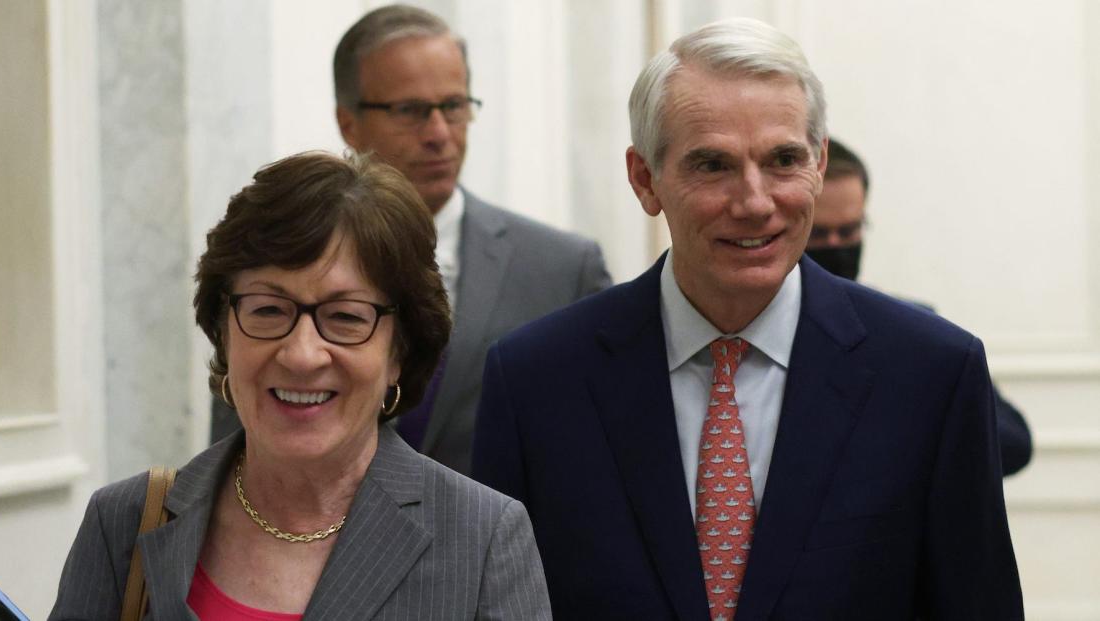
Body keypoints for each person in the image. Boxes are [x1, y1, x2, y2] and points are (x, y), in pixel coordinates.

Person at [471, 17, 1022, 620]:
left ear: (819, 163)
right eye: (713, 165)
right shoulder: (536, 380)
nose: (755, 202)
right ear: (644, 178)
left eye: (784, 159)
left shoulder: (930, 374)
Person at [51, 152, 550, 620]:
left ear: (400, 351)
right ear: (223, 333)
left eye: (345, 317)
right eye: (269, 310)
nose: (302, 354)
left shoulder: (482, 539)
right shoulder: (126, 522)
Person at [213, 5, 613, 477]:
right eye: (411, 111)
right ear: (348, 122)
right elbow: (234, 439)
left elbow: (600, 457)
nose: (440, 134)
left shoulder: (562, 271)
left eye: (454, 107)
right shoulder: (277, 262)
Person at [806, 138, 1033, 475]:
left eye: (850, 231)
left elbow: (1012, 443)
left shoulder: (905, 327)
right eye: (819, 234)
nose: (836, 247)